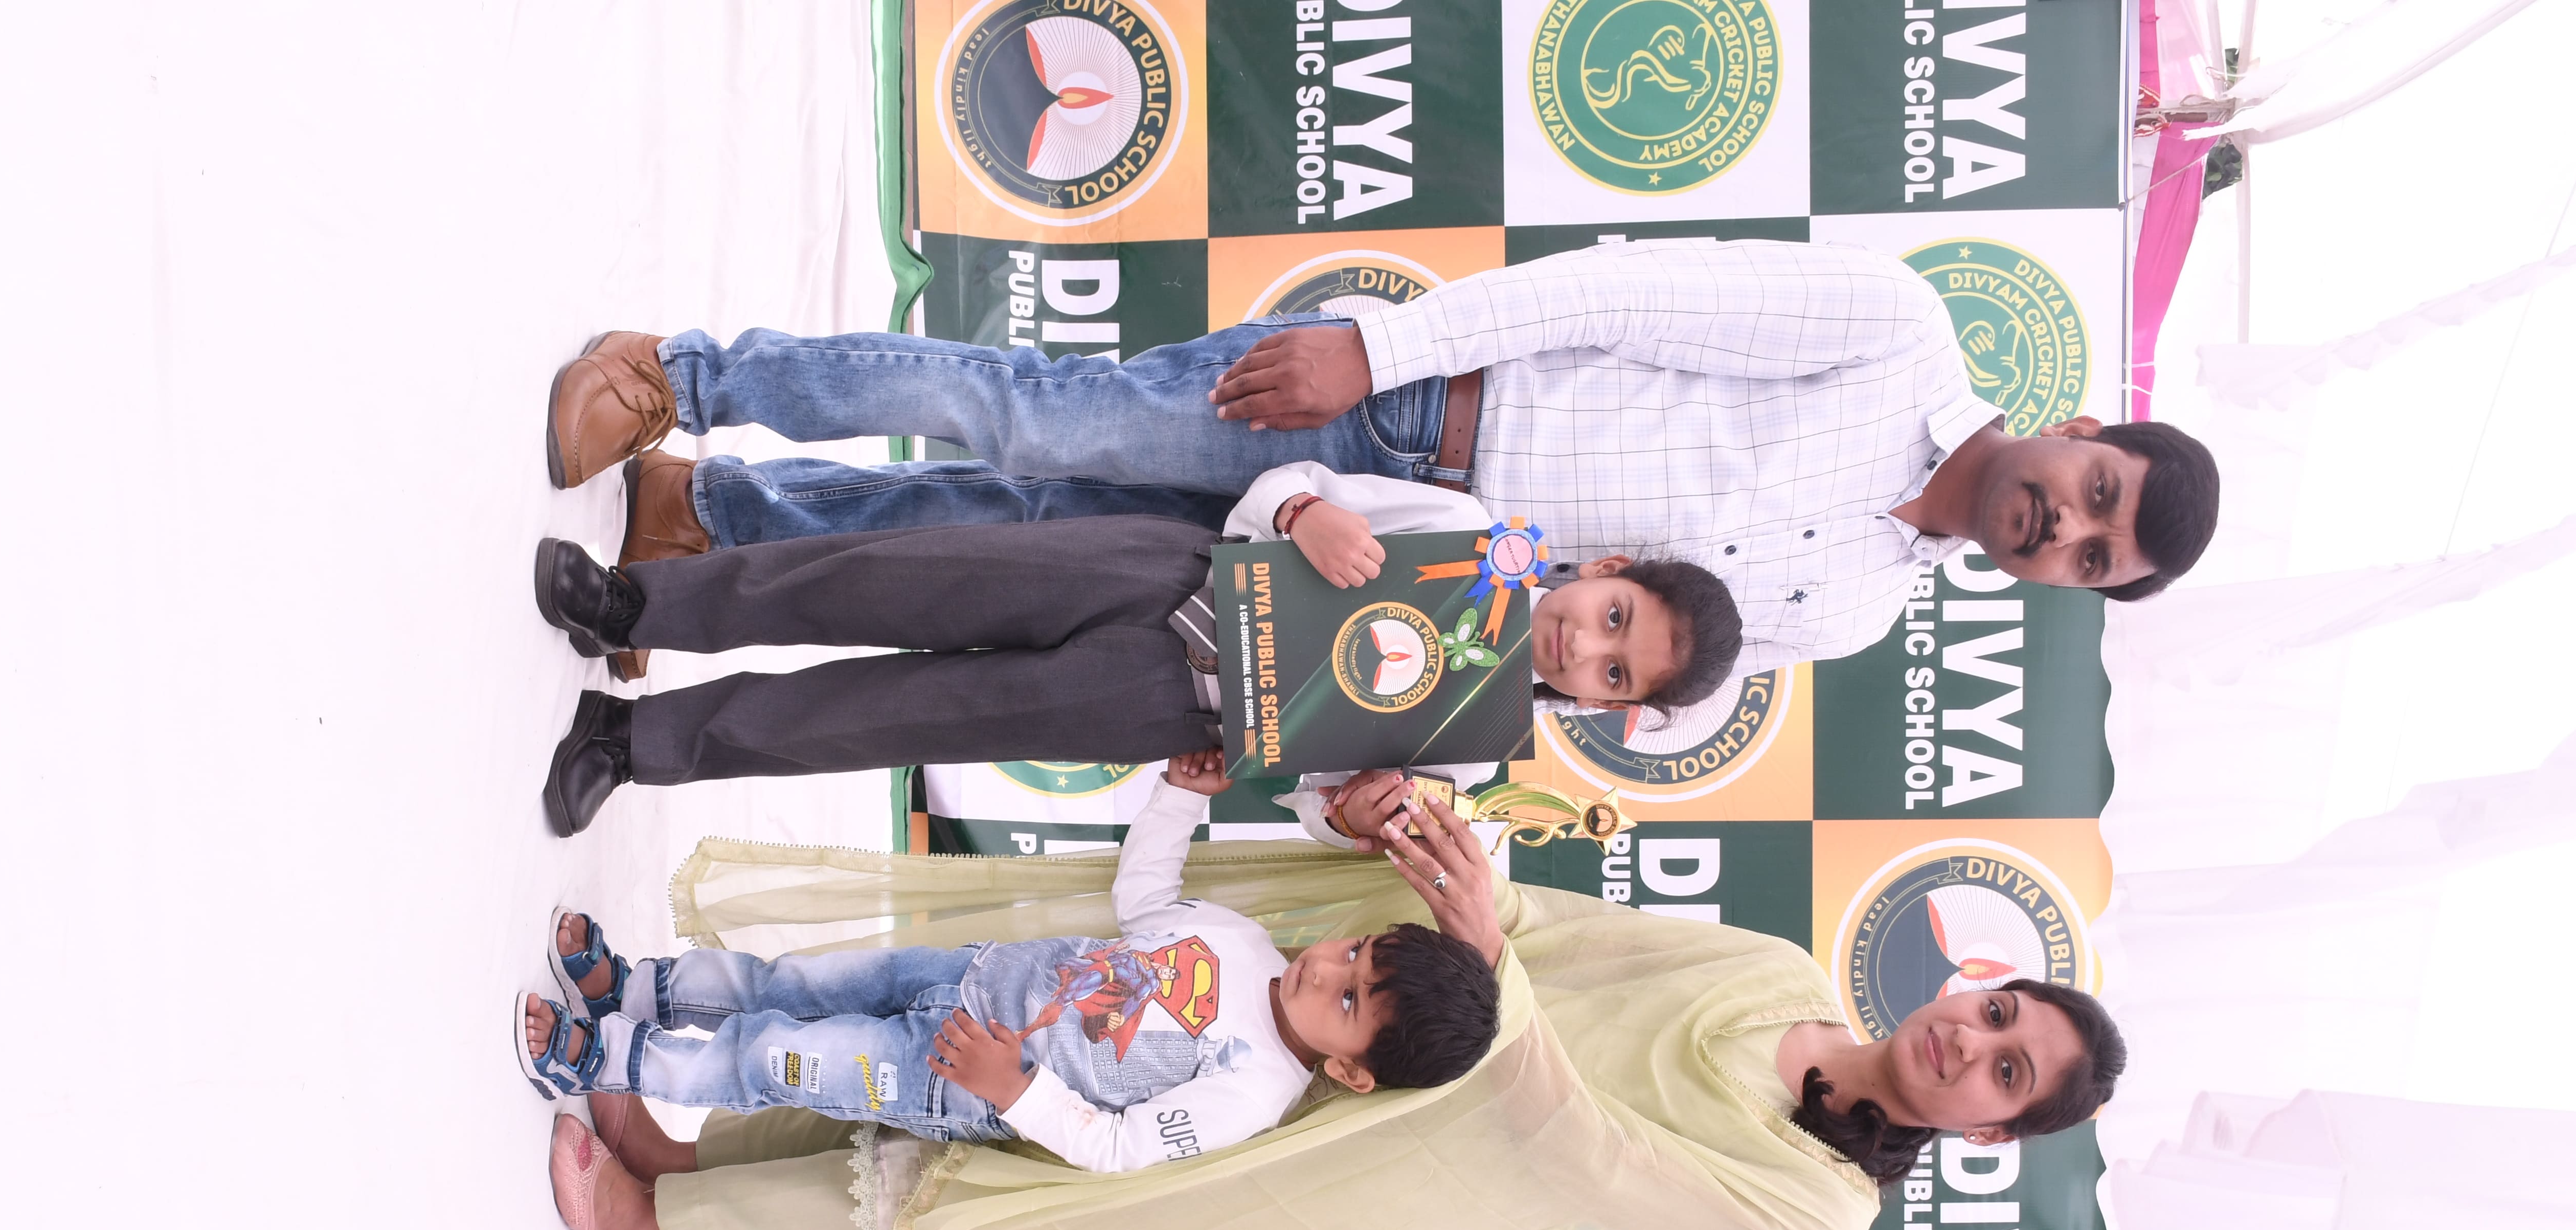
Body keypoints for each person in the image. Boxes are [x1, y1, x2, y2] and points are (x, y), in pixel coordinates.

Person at [546, 792, 2127, 1230]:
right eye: (2001, 1017)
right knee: (984, 1047)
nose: (1972, 1042)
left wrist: (1489, 975)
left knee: (990, 1174)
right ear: (1978, 984)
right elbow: (1552, 934)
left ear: (1993, 1138)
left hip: (1350, 1158)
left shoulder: (1821, 1206)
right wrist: (1439, 855)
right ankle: (687, 1156)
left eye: (2007, 1077)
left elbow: (1598, 1162)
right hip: (1358, 1031)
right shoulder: (1779, 973)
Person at [544, 238, 2220, 687]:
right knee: (1036, 417)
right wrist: (1378, 353)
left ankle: (709, 520)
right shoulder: (1897, 330)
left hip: (1381, 575)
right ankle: (676, 375)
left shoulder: (1854, 614)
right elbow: (1618, 291)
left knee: (1018, 527)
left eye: (2093, 558)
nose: (2063, 530)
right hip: (1397, 410)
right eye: (2094, 497)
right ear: (2081, 430)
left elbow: (1616, 655)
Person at [521, 752, 1499, 1230]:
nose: (1326, 968)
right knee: (790, 986)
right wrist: (1176, 799)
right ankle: (634, 993)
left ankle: (600, 1059)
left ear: (1350, 1070)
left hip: (952, 1075)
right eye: (1354, 953)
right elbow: (1146, 903)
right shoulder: (1247, 946)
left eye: (1347, 1000)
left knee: (774, 1056)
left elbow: (1119, 1146)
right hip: (965, 975)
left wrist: (1014, 1087)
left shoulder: (1252, 1094)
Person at [530, 460, 1742, 837]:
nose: (1588, 643)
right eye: (1615, 615)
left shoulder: (1473, 750)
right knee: (885, 577)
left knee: (895, 717)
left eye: (1614, 670)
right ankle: (636, 605)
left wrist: (1351, 813)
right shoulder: (1470, 531)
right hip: (1166, 572)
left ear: (1604, 705)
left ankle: (635, 743)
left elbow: (1315, 796)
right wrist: (1304, 512)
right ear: (1606, 568)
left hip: (1163, 703)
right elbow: (1293, 483)